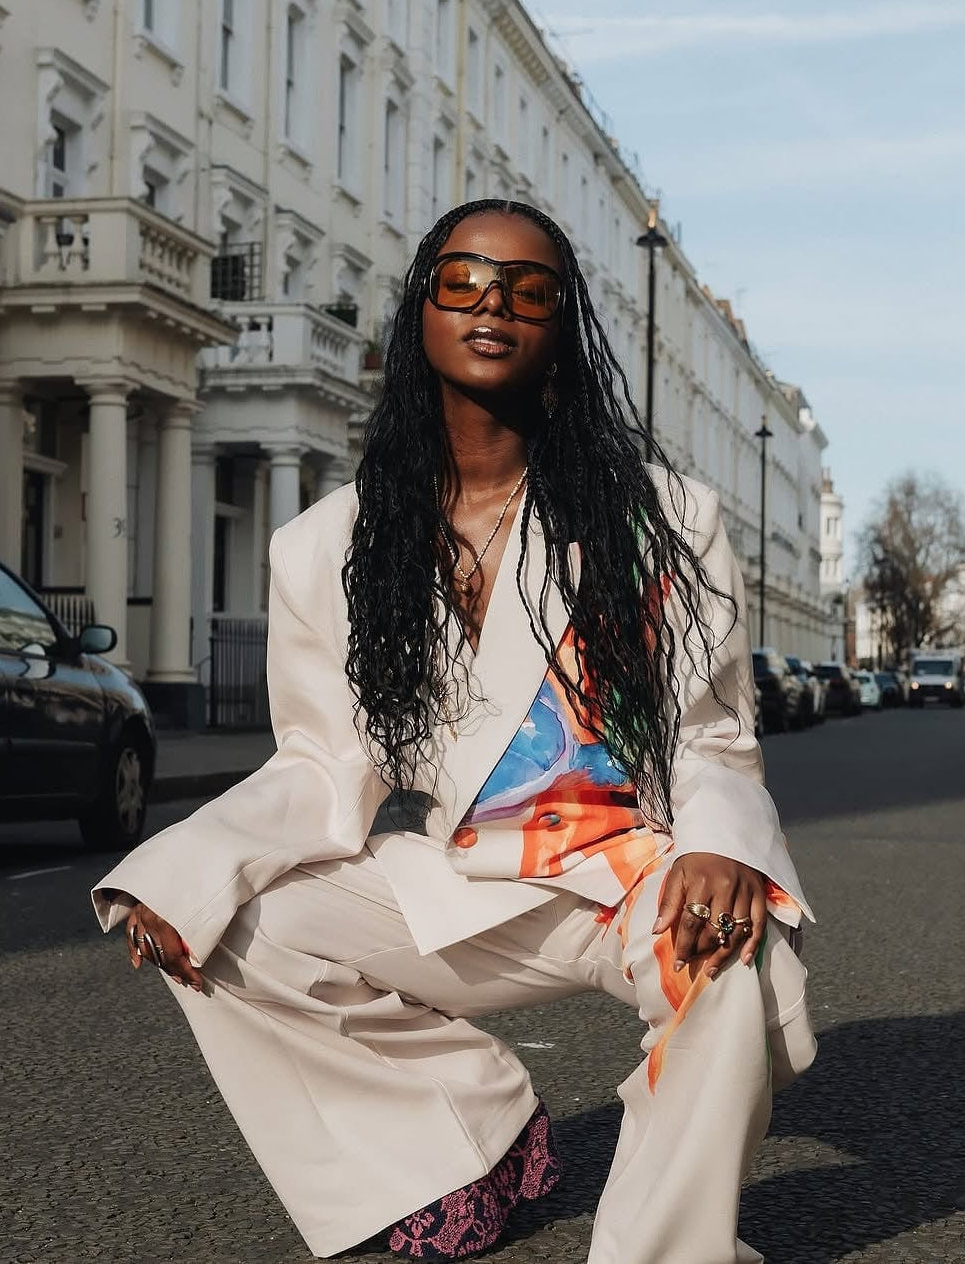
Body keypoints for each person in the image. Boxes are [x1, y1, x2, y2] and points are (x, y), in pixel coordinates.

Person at [92, 199, 816, 1264]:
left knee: (724, 957)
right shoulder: (325, 545)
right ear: (421, 310)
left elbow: (708, 733)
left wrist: (720, 846)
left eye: (530, 291)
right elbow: (322, 763)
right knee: (228, 921)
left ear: (562, 327)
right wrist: (188, 865)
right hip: (466, 881)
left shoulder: (662, 518)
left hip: (639, 872)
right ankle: (465, 1139)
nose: (494, 305)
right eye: (464, 280)